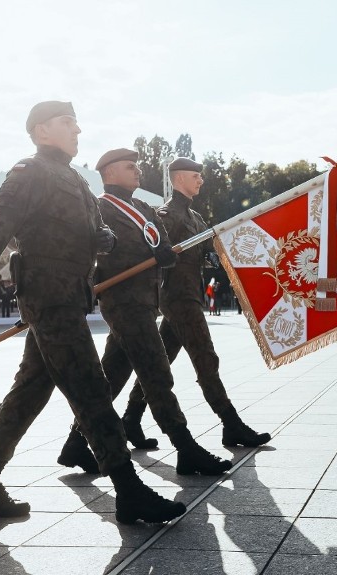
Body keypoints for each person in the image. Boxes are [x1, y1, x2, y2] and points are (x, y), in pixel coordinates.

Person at [0, 101, 185, 525]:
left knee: (29, 393)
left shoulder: (74, 179)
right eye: (66, 123)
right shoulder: (29, 172)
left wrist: (102, 239)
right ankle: (128, 490)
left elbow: (90, 230)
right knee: (91, 388)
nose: (77, 129)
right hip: (48, 298)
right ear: (40, 132)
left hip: (69, 296)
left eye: (76, 122)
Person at [55, 147, 232, 477]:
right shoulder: (98, 208)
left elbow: (163, 245)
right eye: (129, 166)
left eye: (137, 166)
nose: (137, 171)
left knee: (110, 381)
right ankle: (185, 446)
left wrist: (166, 253)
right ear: (109, 174)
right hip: (122, 303)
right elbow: (81, 250)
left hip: (146, 303)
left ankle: (76, 444)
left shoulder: (144, 208)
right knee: (156, 373)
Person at [120, 157, 271, 448]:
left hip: (189, 296)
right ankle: (231, 423)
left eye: (200, 176)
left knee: (158, 363)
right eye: (195, 176)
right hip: (177, 299)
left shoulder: (195, 217)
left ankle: (130, 419)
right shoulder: (168, 215)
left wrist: (210, 256)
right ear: (179, 180)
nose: (200, 180)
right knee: (206, 358)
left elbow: (204, 250)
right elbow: (152, 252)